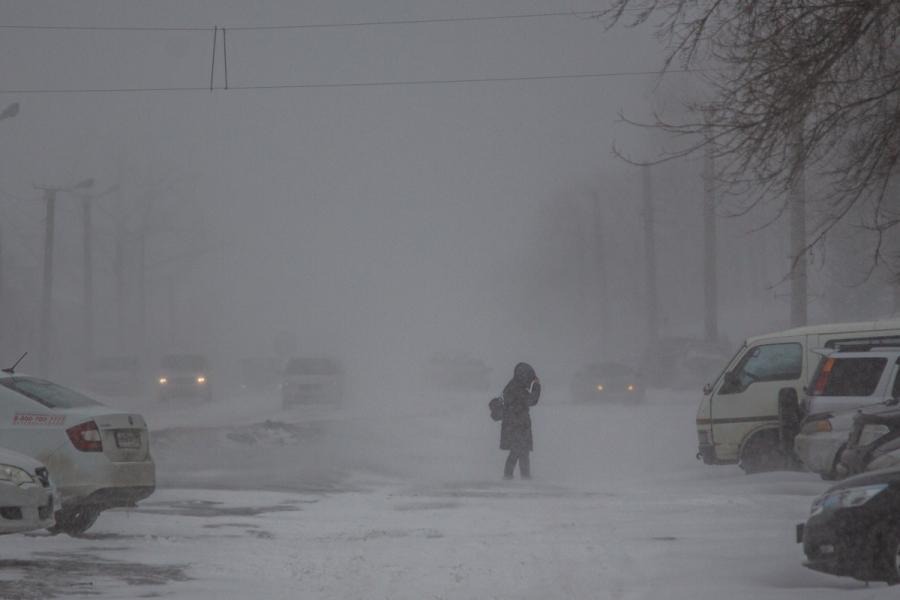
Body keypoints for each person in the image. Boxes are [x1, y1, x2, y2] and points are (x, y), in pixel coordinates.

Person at [499, 362, 540, 480]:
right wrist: (537, 386)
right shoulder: (517, 388)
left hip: (514, 425)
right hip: (517, 426)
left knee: (519, 453)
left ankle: (517, 477)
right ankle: (518, 477)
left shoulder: (513, 386)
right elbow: (531, 400)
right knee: (519, 452)